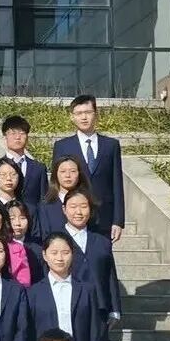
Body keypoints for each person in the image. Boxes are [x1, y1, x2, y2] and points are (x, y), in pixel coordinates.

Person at [27, 233, 104, 341]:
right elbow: (29, 335)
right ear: (44, 255)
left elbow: (94, 335)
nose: (60, 258)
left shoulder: (86, 290)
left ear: (72, 254)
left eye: (65, 252)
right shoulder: (33, 293)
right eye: (54, 253)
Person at [52, 95, 124, 242]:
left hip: (103, 217)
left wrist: (118, 221)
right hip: (73, 217)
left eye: (88, 112)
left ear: (95, 114)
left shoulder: (111, 146)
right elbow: (56, 183)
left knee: (102, 255)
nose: (84, 117)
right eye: (79, 113)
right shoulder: (62, 146)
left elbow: (117, 184)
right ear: (72, 117)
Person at [62, 189, 122, 329]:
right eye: (73, 207)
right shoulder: (56, 240)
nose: (78, 212)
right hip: (66, 306)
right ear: (64, 209)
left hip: (99, 307)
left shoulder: (102, 242)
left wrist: (115, 308)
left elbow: (110, 275)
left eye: (84, 206)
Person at [0, 115, 48, 207]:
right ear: (5, 137)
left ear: (27, 137)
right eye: (13, 133)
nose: (17, 137)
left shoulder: (39, 168)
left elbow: (43, 200)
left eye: (22, 133)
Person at [38, 155, 95, 237]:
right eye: (63, 171)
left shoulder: (89, 201)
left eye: (73, 171)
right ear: (55, 174)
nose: (68, 175)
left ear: (79, 174)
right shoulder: (45, 205)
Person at [6, 199, 45, 285]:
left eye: (22, 218)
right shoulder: (1, 247)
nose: (17, 223)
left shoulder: (37, 249)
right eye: (12, 219)